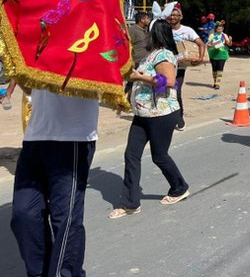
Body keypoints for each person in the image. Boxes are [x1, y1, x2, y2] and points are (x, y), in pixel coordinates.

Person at [11, 88, 99, 276]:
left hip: (73, 137)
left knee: (66, 220)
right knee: (24, 214)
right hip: (35, 136)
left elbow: (110, 76)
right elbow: (30, 89)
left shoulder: (97, 56)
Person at [109, 18, 190, 219]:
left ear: (156, 33)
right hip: (143, 114)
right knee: (131, 155)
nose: (145, 34)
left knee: (159, 156)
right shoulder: (151, 54)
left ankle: (179, 187)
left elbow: (169, 81)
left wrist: (138, 78)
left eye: (149, 31)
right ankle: (130, 203)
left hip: (161, 114)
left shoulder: (164, 54)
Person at [167, 4, 205, 131]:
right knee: (163, 92)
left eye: (175, 15)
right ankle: (167, 119)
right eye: (171, 15)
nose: (172, 17)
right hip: (165, 66)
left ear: (181, 17)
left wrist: (200, 58)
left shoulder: (187, 31)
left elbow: (200, 43)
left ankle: (179, 118)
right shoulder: (165, 29)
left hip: (180, 68)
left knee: (176, 92)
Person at [207, 21, 232, 90]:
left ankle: (218, 83)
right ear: (216, 29)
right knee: (214, 69)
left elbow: (229, 44)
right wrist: (213, 45)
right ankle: (215, 82)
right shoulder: (212, 35)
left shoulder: (224, 35)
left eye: (221, 28)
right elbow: (208, 44)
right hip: (213, 52)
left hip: (222, 53)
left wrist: (230, 40)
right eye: (218, 28)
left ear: (223, 29)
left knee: (220, 69)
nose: (220, 30)